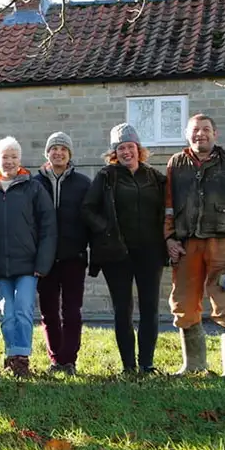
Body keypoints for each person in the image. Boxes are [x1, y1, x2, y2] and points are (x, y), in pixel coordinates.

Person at [165, 114, 225, 376]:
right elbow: (169, 206)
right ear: (187, 135)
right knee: (183, 302)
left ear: (215, 134)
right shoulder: (176, 163)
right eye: (195, 130)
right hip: (188, 243)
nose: (200, 134)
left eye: (206, 130)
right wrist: (169, 238)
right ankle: (194, 365)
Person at [82, 124, 167, 374]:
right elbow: (87, 209)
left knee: (150, 307)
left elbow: (167, 210)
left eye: (130, 146)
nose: (126, 152)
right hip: (116, 254)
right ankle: (128, 366)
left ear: (139, 149)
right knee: (123, 308)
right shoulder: (107, 177)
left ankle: (147, 364)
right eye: (121, 148)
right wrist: (106, 229)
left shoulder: (155, 178)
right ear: (114, 152)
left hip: (150, 253)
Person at [0, 137, 56, 376]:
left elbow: (48, 227)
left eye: (13, 156)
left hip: (28, 265)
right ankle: (11, 355)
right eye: (4, 157)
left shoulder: (33, 188)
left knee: (23, 310)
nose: (9, 161)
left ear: (20, 159)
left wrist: (42, 263)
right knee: (7, 314)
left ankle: (21, 357)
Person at [32, 132, 91, 375]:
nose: (58, 153)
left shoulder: (83, 183)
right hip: (44, 259)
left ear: (70, 155)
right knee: (48, 312)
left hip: (73, 257)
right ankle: (56, 359)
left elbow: (89, 218)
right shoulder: (35, 183)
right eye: (53, 149)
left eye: (63, 149)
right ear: (47, 153)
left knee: (71, 311)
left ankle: (69, 360)